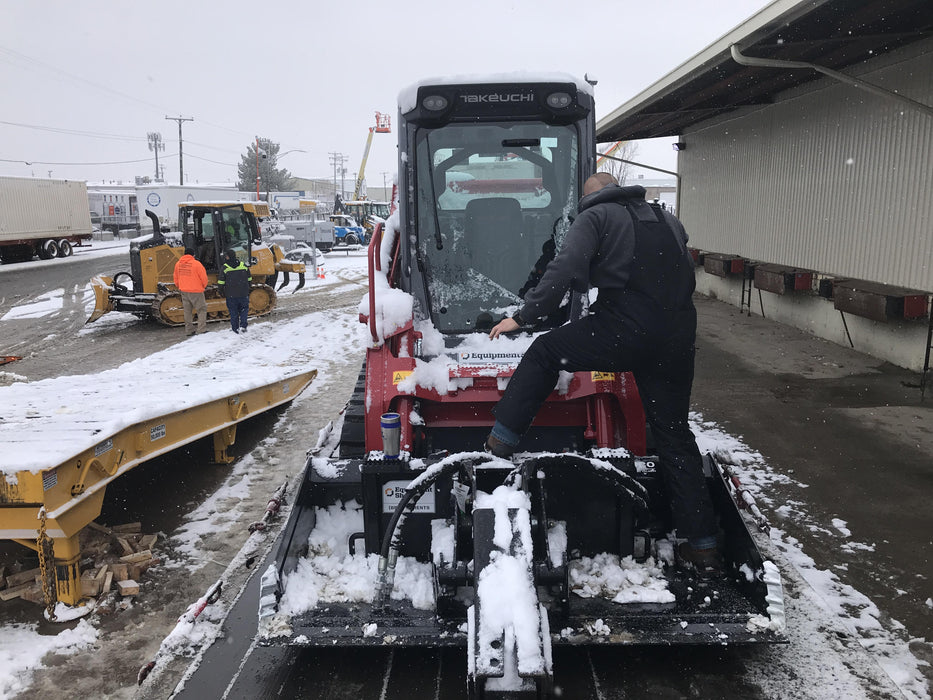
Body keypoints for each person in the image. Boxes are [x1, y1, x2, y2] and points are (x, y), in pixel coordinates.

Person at [485, 172, 722, 573]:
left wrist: (524, 315)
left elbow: (564, 269)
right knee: (674, 435)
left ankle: (500, 442)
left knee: (545, 351)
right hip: (678, 335)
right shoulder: (667, 219)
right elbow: (684, 272)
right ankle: (702, 545)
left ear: (591, 196)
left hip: (626, 327)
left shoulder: (596, 217)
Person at [173, 247, 209, 336]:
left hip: (184, 291)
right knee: (201, 310)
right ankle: (201, 329)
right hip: (196, 290)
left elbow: (176, 278)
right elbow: (204, 278)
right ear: (193, 255)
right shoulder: (196, 264)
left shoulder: (178, 264)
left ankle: (189, 330)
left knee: (187, 311)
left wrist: (180, 286)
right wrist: (203, 286)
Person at [218, 249, 251, 334]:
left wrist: (221, 291)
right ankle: (243, 326)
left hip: (231, 295)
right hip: (243, 293)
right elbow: (249, 279)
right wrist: (247, 288)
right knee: (244, 310)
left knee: (233, 312)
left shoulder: (225, 267)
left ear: (228, 256)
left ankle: (235, 328)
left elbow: (221, 281)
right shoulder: (243, 265)